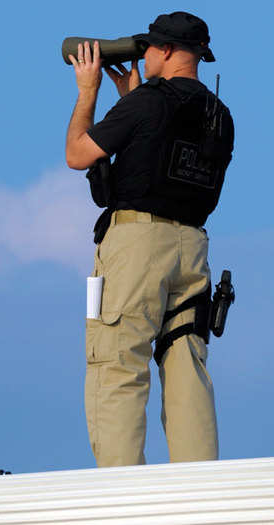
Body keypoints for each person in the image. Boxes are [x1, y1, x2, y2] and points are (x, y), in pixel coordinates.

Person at [64, 12, 234, 466]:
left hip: (137, 245)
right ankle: (199, 490)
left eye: (150, 49)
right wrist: (135, 98)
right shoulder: (220, 113)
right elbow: (165, 154)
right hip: (192, 249)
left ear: (161, 51)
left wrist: (88, 92)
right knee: (186, 367)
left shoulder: (148, 103)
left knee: (117, 364)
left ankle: (122, 495)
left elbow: (77, 154)